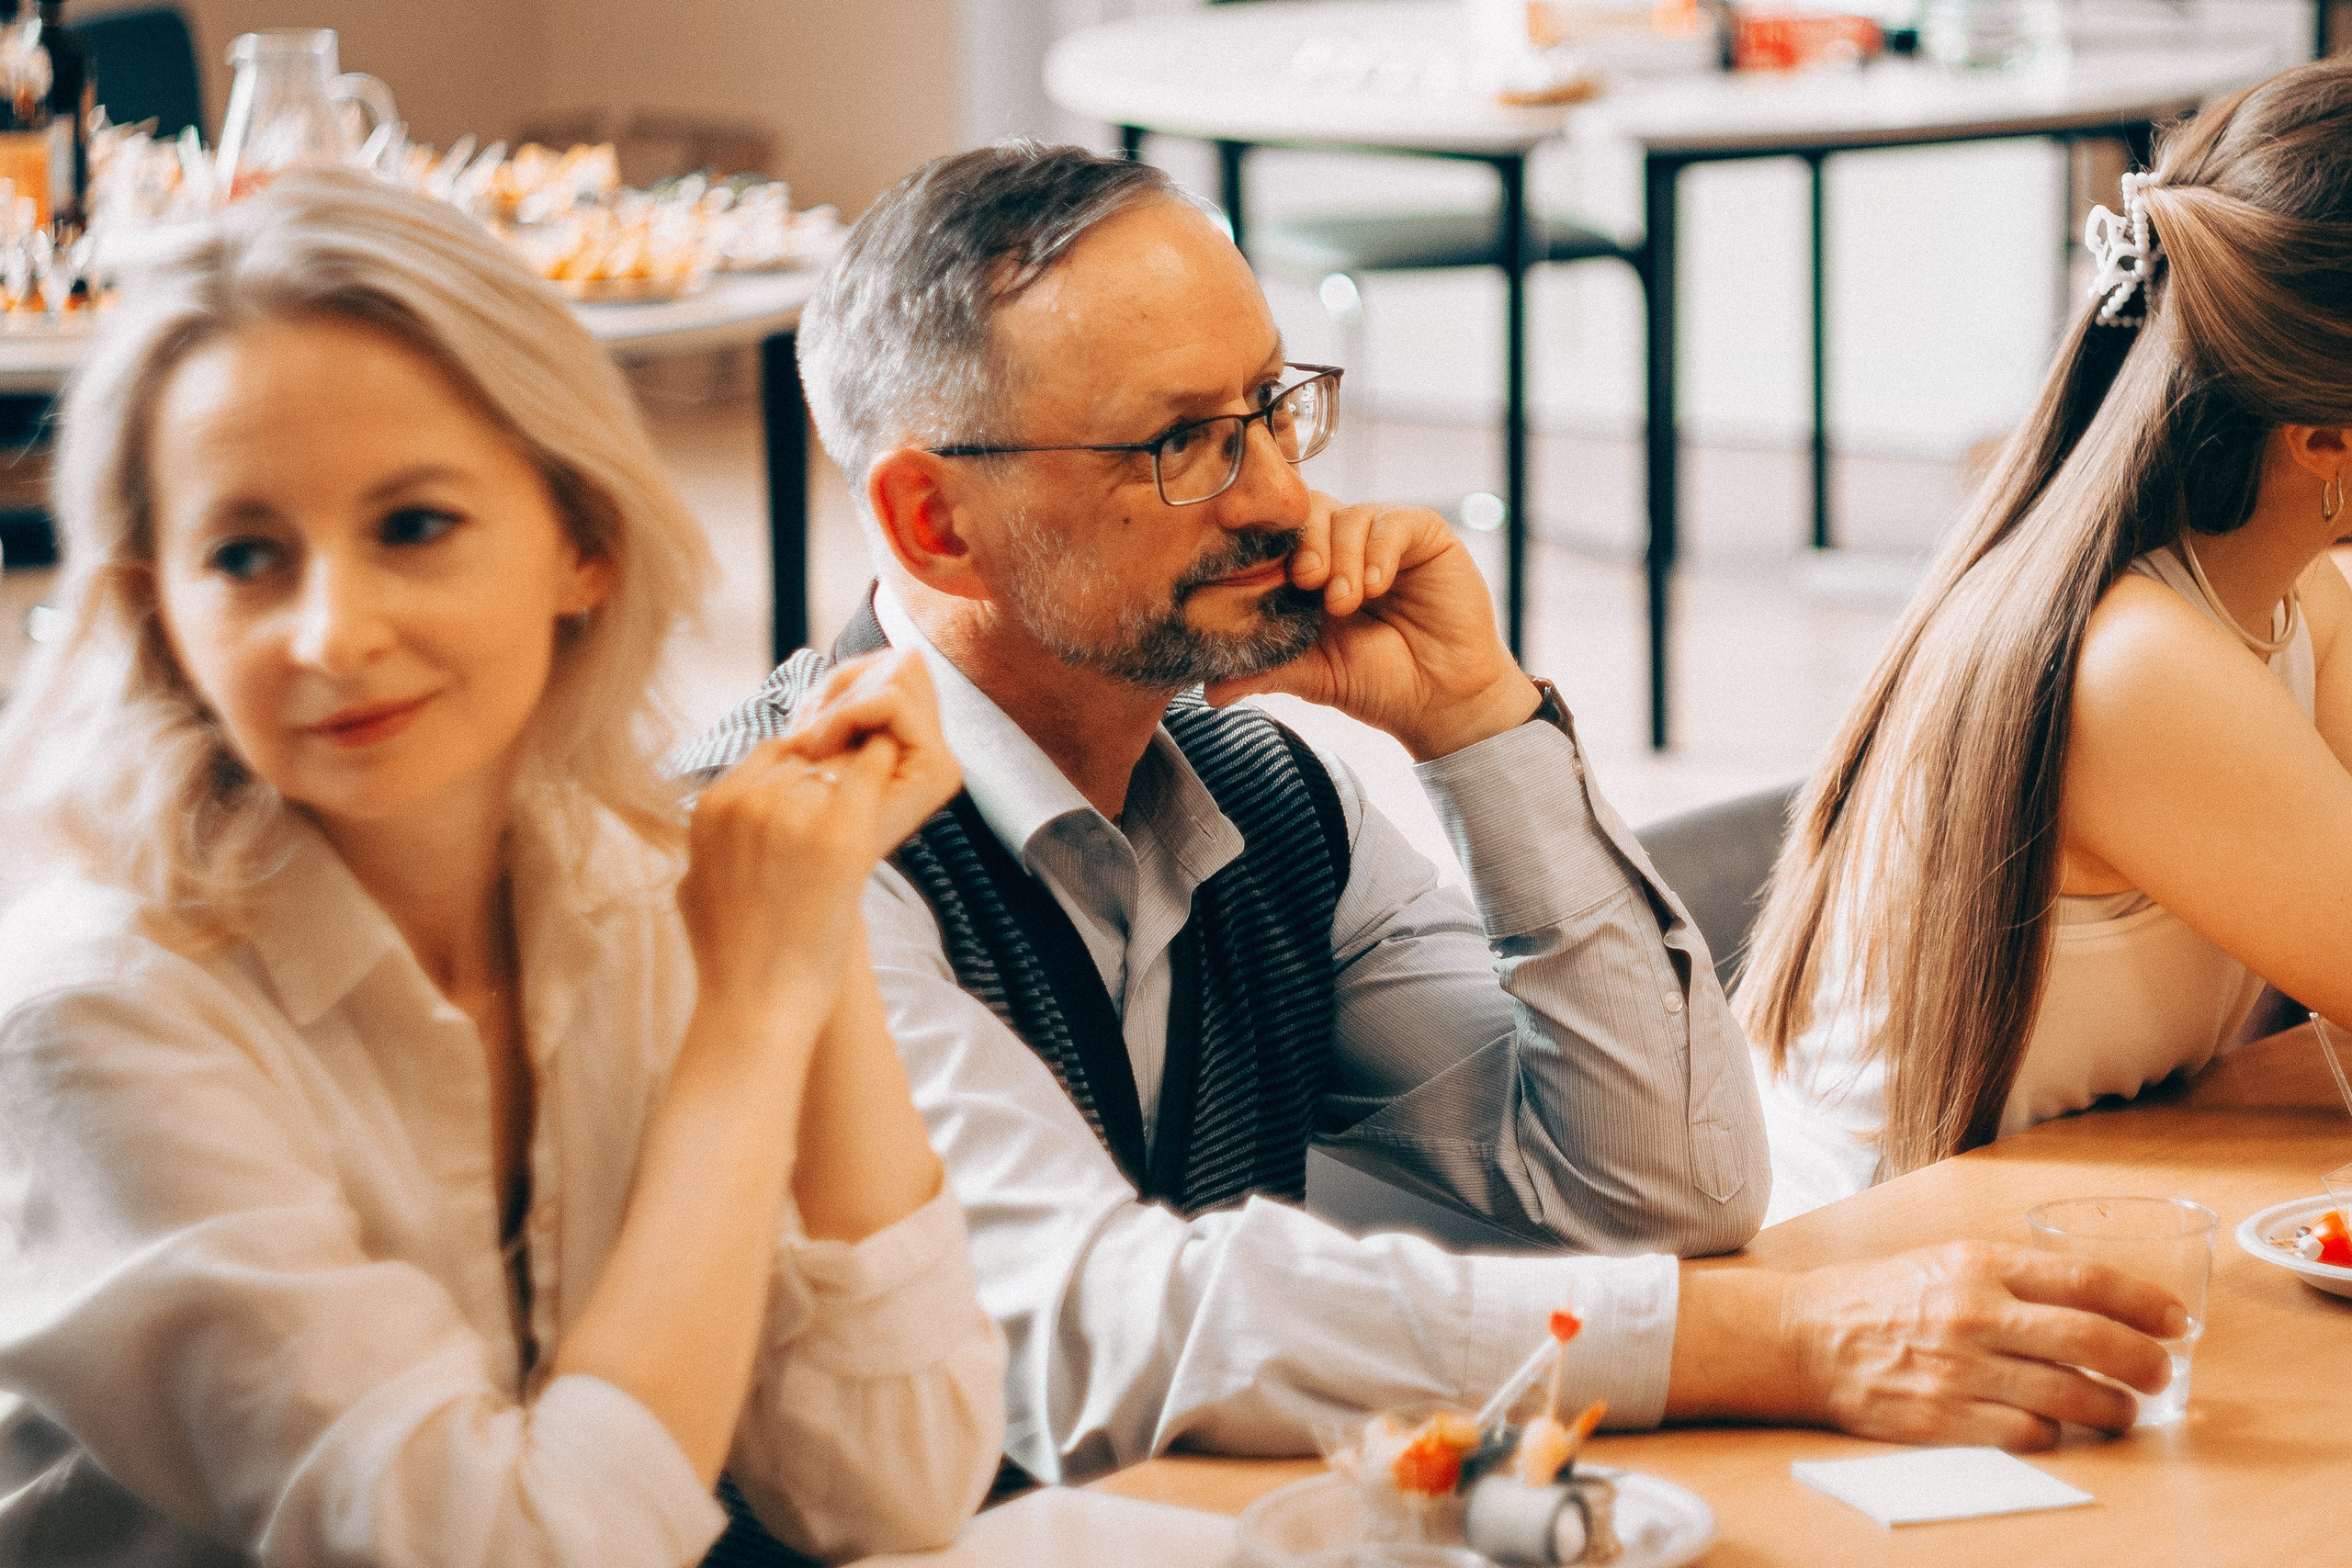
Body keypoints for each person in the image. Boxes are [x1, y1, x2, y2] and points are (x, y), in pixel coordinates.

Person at [677, 141, 2187, 1483]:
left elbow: (1667, 1188)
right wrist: (1783, 1338)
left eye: (1272, 408)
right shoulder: (776, 850)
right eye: (1184, 442)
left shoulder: (1269, 797)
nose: (1280, 497)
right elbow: (1102, 1328)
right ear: (934, 520)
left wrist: (1480, 727)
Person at [0, 170, 1003, 1566]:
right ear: (160, 611)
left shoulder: (630, 887)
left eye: (412, 526)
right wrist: (751, 1013)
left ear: (583, 545)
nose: (333, 633)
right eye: (245, 556)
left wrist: (811, 918)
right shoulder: (97, 1016)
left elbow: (895, 1484)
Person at [1737, 60, 2352, 1222]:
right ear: (2321, 438)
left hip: (2056, 1215)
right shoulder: (2135, 668)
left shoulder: (2289, 602)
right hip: (1854, 1264)